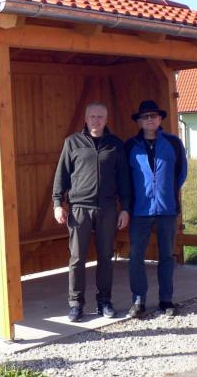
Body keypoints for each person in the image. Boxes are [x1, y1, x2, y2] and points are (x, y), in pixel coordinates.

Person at [52, 102, 131, 322]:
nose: (96, 120)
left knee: (106, 257)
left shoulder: (115, 145)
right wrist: (58, 203)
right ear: (85, 119)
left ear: (106, 120)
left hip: (107, 208)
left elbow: (124, 178)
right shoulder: (72, 143)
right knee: (77, 258)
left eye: (101, 117)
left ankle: (104, 301)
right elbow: (62, 176)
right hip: (79, 209)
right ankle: (76, 304)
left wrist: (125, 208)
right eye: (93, 116)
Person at [124, 100, 188, 318]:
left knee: (167, 257)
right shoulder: (130, 146)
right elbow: (125, 178)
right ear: (139, 121)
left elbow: (181, 172)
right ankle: (138, 301)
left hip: (167, 209)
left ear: (160, 119)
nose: (149, 120)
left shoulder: (173, 143)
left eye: (153, 116)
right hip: (140, 211)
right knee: (136, 257)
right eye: (145, 117)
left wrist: (166, 192)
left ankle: (166, 300)